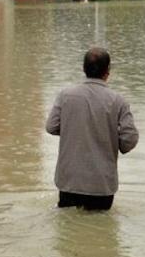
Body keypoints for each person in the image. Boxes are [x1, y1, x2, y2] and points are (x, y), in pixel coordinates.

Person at [45, 47, 139, 211]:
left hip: (69, 181)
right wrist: (110, 138)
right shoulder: (118, 101)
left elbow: (51, 126)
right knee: (101, 230)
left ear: (84, 69)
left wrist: (73, 129)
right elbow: (129, 139)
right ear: (107, 71)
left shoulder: (65, 95)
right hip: (101, 184)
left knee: (68, 229)